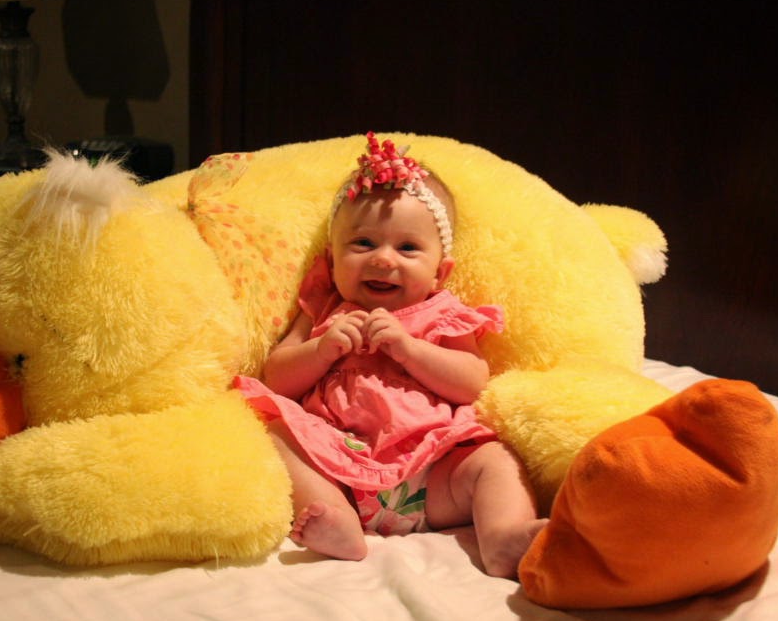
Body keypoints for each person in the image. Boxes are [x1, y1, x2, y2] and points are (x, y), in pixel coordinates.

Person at [234, 133, 545, 577]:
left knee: (495, 459)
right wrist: (321, 350)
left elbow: (473, 382)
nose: (383, 260)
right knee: (277, 432)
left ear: (439, 273)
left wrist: (410, 350)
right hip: (337, 464)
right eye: (363, 243)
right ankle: (338, 521)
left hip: (432, 473)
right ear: (331, 261)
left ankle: (502, 537)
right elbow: (277, 379)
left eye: (407, 248)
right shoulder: (324, 309)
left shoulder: (443, 313)